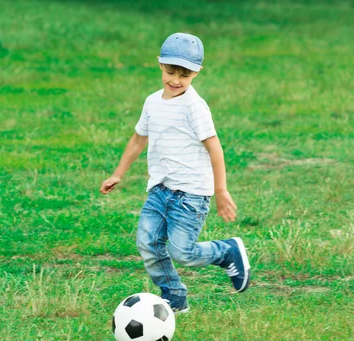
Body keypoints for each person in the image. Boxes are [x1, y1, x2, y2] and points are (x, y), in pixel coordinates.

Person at [99, 32, 251, 314]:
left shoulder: (194, 107)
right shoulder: (152, 102)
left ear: (197, 73)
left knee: (183, 252)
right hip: (160, 189)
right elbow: (137, 140)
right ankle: (174, 296)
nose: (176, 80)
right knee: (148, 243)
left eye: (185, 74)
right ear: (160, 65)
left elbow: (214, 148)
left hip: (191, 195)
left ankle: (226, 251)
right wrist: (118, 174)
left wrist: (221, 190)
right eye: (171, 71)